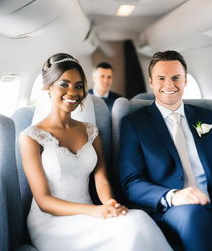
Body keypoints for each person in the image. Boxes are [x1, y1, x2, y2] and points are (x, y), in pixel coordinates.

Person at [19, 53, 172, 251]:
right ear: (49, 87)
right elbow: (44, 201)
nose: (72, 92)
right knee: (129, 229)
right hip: (51, 221)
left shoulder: (91, 131)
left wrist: (110, 203)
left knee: (138, 219)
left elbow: (102, 180)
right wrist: (94, 211)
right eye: (63, 85)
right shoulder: (31, 137)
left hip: (91, 212)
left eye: (78, 85)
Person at [118, 50, 212, 251]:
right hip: (173, 210)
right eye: (161, 78)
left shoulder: (208, 118)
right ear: (151, 81)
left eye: (176, 78)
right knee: (192, 214)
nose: (169, 85)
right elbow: (131, 183)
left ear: (185, 80)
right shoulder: (135, 124)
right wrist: (173, 196)